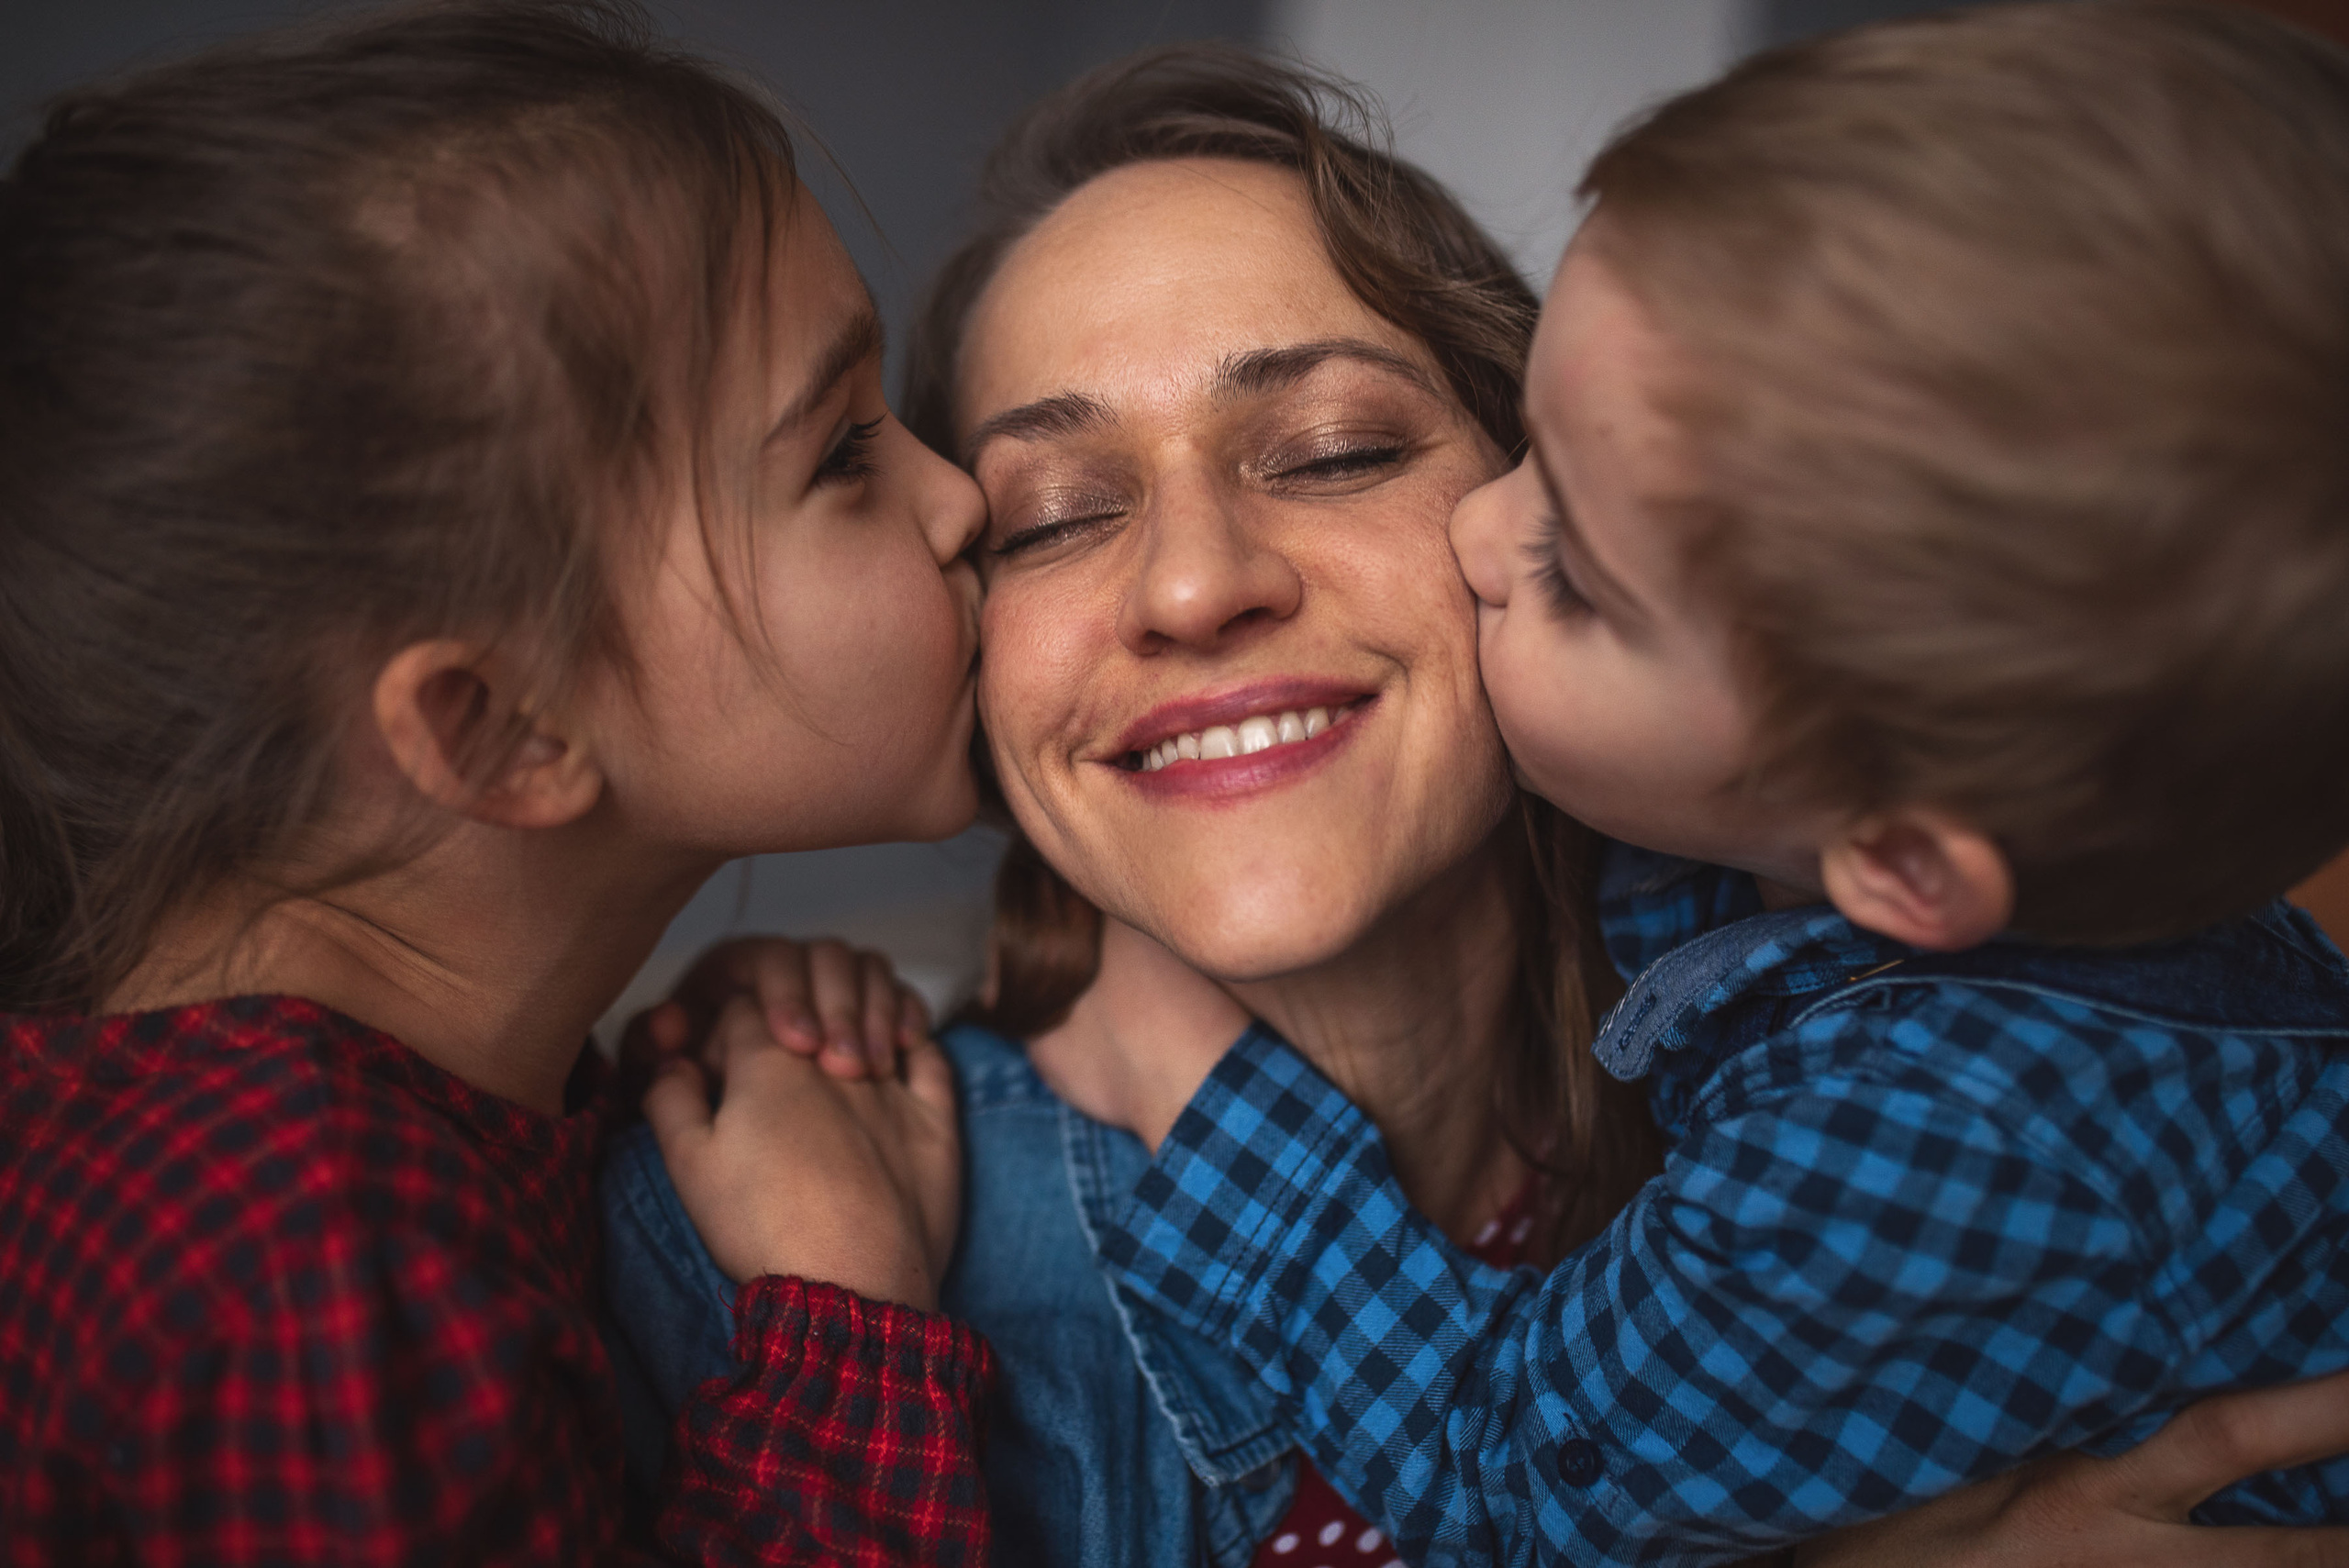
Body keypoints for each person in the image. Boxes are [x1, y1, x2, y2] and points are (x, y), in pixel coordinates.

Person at [598, 39, 2349, 1568]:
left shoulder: (1875, 1055)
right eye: (1054, 511)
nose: (1196, 584)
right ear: (964, 633)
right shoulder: (745, 1249)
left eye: (1342, 451)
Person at [0, 4, 995, 1562]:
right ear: (497, 731)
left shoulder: (312, 1117)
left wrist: (674, 1061)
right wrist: (846, 1310)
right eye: (844, 454)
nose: (968, 494)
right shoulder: (301, 1248)